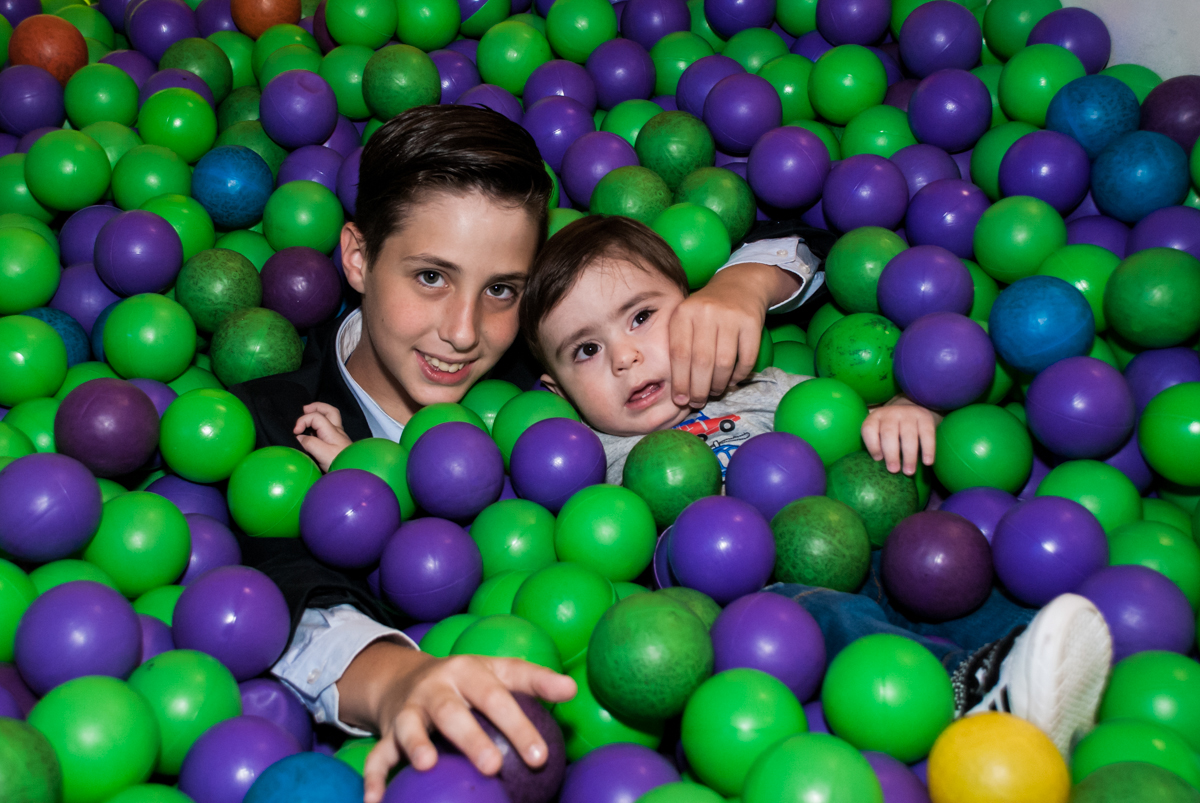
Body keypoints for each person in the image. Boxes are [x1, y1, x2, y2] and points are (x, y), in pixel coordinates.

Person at [230, 104, 833, 803]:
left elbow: (796, 234)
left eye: (501, 289)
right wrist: (399, 680)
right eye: (431, 277)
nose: (463, 332)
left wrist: (737, 290)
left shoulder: (558, 355)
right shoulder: (274, 425)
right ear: (359, 257)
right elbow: (286, 595)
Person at [514, 214, 1114, 756]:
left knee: (937, 558)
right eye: (586, 350)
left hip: (854, 537)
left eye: (642, 317)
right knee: (807, 613)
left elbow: (856, 424)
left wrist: (906, 409)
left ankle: (1045, 651)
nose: (624, 356)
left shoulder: (761, 384)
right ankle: (968, 689)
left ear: (695, 306)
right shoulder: (592, 458)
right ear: (558, 392)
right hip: (752, 600)